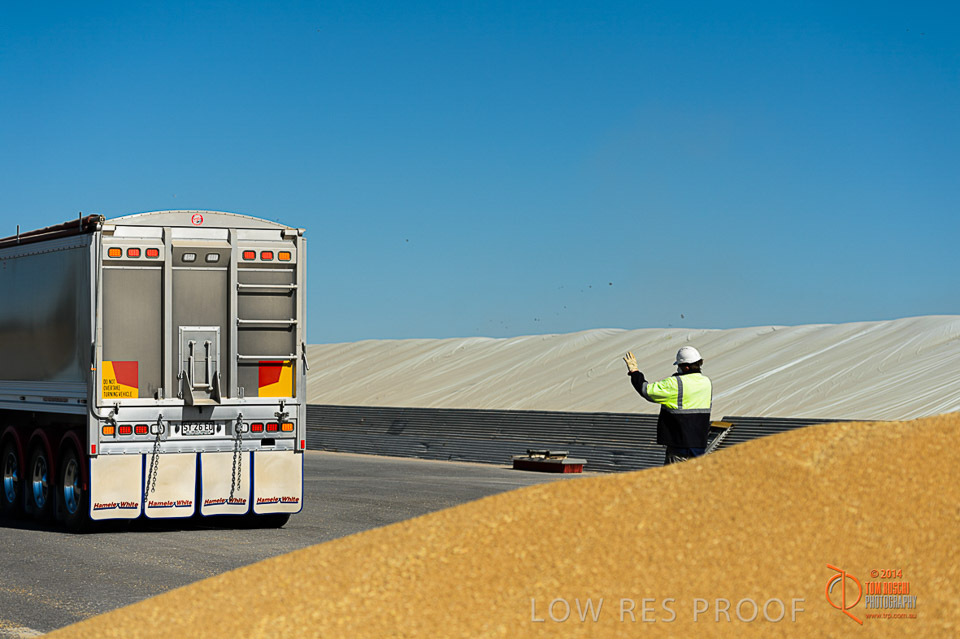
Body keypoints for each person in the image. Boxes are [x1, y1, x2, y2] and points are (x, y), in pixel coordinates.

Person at [624, 346, 713, 465]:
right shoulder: (706, 382)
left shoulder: (675, 383)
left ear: (686, 367)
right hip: (699, 446)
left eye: (679, 366)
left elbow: (646, 390)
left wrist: (634, 372)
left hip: (680, 448)